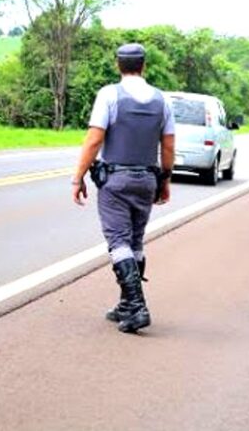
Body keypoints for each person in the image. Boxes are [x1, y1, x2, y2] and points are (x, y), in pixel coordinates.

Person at [72, 43, 175, 334]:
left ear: (119, 65)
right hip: (146, 181)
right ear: (144, 66)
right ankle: (126, 305)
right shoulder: (162, 99)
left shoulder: (109, 95)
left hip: (115, 182)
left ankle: (137, 306)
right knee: (135, 242)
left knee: (118, 241)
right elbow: (168, 145)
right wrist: (165, 180)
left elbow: (94, 139)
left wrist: (78, 176)